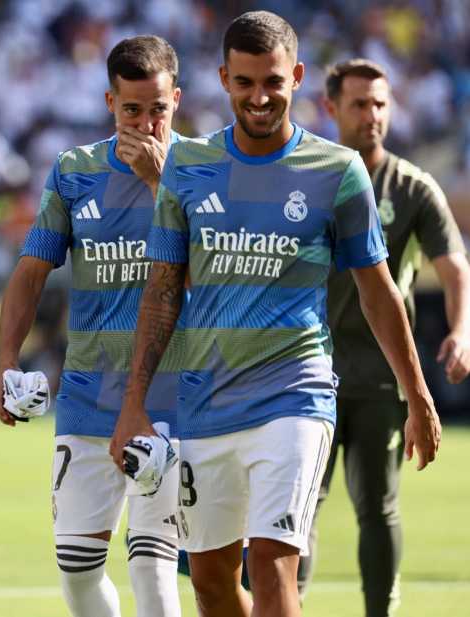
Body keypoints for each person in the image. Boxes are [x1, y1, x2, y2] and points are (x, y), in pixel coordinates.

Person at [109, 11, 441, 617]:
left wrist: (415, 393)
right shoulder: (187, 168)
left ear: (298, 78)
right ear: (223, 79)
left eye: (273, 82)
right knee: (210, 581)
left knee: (272, 568)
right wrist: (135, 401)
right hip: (206, 403)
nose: (259, 97)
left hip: (295, 397)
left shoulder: (336, 172)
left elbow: (378, 289)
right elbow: (162, 290)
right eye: (245, 83)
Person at [0, 35, 183, 617]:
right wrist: (5, 362)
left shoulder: (203, 169)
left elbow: (213, 275)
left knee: (152, 567)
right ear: (109, 103)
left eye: (158, 109)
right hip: (87, 394)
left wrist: (158, 183)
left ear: (177, 98)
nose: (146, 124)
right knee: (76, 569)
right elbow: (29, 272)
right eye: (132, 110)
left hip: (175, 395)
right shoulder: (75, 171)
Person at [297, 58, 470, 616]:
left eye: (379, 103)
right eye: (358, 104)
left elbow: (454, 266)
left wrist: (463, 330)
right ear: (331, 108)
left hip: (379, 374)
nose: (371, 115)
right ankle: (283, 605)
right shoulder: (307, 177)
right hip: (305, 372)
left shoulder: (413, 187)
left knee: (378, 507)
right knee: (296, 509)